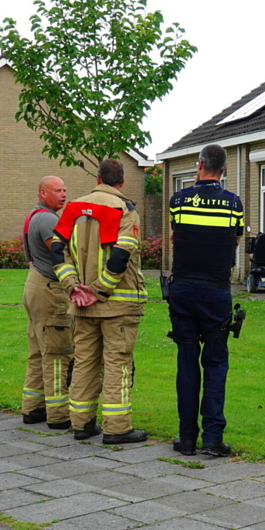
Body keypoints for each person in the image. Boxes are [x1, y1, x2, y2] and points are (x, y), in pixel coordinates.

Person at [51, 159, 148, 445]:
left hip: (81, 305)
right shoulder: (125, 210)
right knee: (117, 364)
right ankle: (117, 428)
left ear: (97, 179)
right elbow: (121, 255)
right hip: (117, 305)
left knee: (84, 363)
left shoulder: (73, 209)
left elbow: (57, 250)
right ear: (122, 181)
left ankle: (81, 423)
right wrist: (99, 290)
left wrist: (74, 288)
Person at [167, 144, 244, 457]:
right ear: (224, 170)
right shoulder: (233, 204)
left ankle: (186, 439)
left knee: (187, 360)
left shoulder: (178, 201)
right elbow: (235, 239)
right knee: (215, 362)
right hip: (215, 291)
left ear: (198, 165)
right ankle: (212, 438)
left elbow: (176, 235)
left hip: (183, 288)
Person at [21, 176, 72, 429]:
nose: (63, 194)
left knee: (37, 351)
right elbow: (59, 252)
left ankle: (33, 408)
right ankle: (59, 414)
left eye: (64, 190)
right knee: (56, 352)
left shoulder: (34, 215)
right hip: (50, 289)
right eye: (57, 191)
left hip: (34, 283)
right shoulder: (49, 219)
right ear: (42, 193)